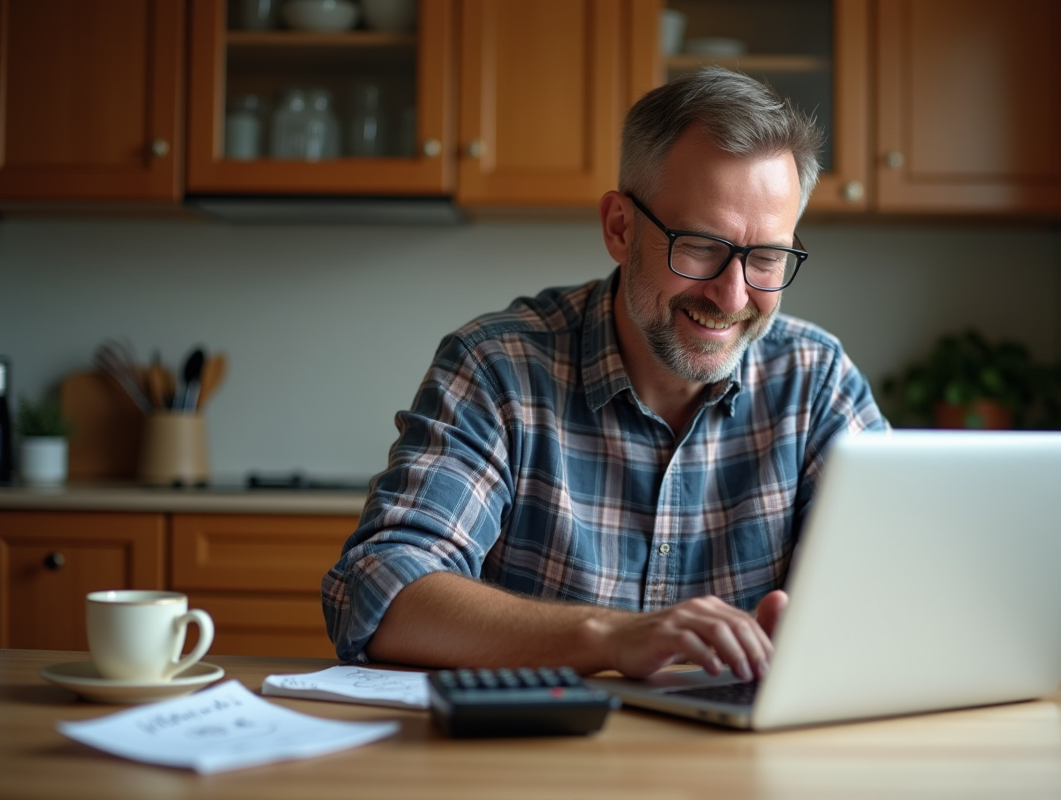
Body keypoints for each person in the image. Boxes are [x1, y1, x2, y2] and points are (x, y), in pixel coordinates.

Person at [323, 67, 887, 682]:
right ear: (620, 228)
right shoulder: (499, 367)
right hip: (543, 742)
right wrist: (609, 636)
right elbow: (380, 589)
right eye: (700, 246)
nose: (732, 296)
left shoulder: (817, 381)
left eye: (768, 257)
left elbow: (906, 584)